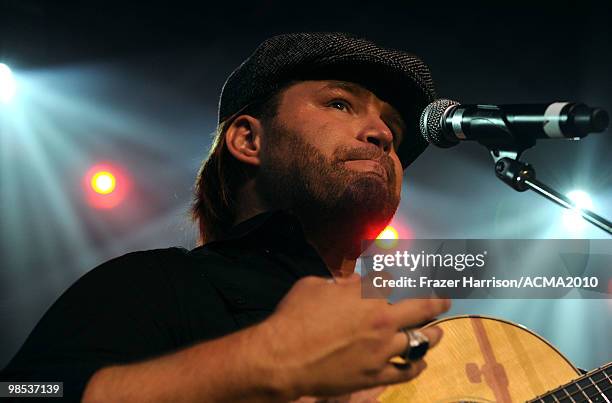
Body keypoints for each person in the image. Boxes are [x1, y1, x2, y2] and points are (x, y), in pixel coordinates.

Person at [1, 32, 451, 402]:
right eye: (339, 103)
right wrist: (258, 362)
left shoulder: (405, 340)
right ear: (248, 141)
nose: (382, 134)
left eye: (392, 124)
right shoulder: (154, 283)